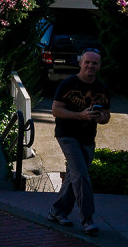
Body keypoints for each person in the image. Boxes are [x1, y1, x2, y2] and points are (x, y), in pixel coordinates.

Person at [47, 49, 110, 236]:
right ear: (80, 63)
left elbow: (107, 115)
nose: (91, 66)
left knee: (75, 175)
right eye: (87, 62)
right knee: (81, 175)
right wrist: (80, 115)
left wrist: (100, 117)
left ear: (99, 66)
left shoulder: (102, 88)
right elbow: (56, 110)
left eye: (95, 63)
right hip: (67, 135)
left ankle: (57, 211)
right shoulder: (68, 83)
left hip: (88, 138)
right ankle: (87, 219)